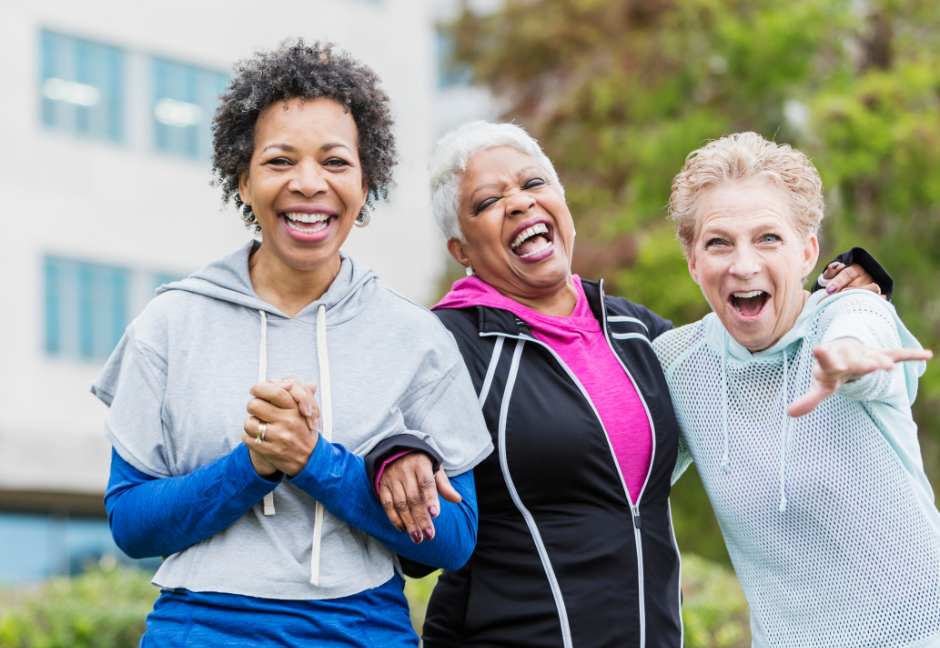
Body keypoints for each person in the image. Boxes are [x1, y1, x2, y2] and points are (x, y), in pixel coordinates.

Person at [370, 121, 886, 648]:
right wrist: (396, 451)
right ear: (461, 249)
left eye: (532, 184)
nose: (520, 204)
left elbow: (754, 360)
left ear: (561, 203)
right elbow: (382, 439)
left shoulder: (638, 333)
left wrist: (846, 292)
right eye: (487, 202)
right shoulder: (443, 343)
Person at [92, 39, 492, 648]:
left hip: (363, 630)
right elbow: (130, 523)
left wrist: (317, 464)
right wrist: (252, 465)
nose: (309, 184)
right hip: (201, 630)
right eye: (280, 161)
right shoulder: (170, 323)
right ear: (243, 181)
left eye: (335, 162)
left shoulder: (416, 339)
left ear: (365, 183)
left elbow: (456, 540)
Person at [655, 132, 940, 647]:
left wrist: (849, 362)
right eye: (719, 242)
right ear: (694, 261)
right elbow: (616, 477)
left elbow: (859, 337)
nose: (744, 265)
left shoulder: (851, 312)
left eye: (768, 238)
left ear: (808, 252)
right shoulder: (678, 363)